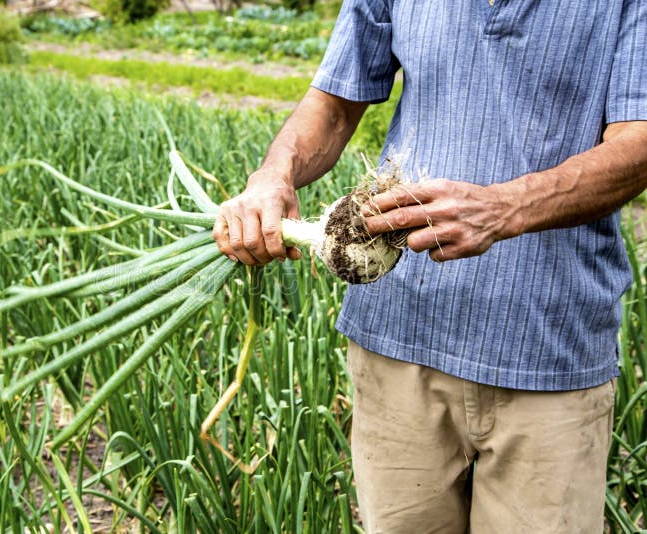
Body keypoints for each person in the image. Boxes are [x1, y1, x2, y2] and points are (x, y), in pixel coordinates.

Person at [212, 1, 647, 532]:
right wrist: (272, 176)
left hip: (547, 348)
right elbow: (334, 102)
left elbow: (638, 143)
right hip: (398, 341)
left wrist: (505, 206)